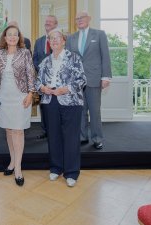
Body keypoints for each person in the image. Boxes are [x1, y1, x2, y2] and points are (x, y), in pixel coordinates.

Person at [36, 30, 86, 187]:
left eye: (57, 38)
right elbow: (37, 82)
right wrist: (43, 88)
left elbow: (82, 80)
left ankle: (71, 172)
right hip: (50, 101)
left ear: (64, 41)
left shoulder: (74, 58)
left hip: (71, 102)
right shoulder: (45, 61)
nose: (54, 40)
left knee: (71, 137)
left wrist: (65, 89)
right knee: (54, 136)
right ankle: (56, 168)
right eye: (51, 38)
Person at [0, 25, 36, 186]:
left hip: (20, 97)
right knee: (9, 130)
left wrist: (31, 94)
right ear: (5, 38)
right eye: (9, 35)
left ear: (19, 38)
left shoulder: (25, 53)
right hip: (3, 97)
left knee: (18, 131)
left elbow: (31, 74)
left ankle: (18, 168)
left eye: (15, 35)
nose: (12, 37)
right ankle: (12, 161)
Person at [66, 11, 112, 150]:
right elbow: (68, 60)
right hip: (76, 81)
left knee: (94, 111)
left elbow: (105, 56)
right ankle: (82, 136)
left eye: (82, 17)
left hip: (94, 78)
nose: (79, 20)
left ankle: (97, 138)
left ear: (89, 18)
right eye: (77, 18)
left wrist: (106, 77)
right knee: (80, 110)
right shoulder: (71, 38)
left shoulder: (99, 34)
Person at [33, 15, 58, 140]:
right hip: (42, 81)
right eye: (46, 21)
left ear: (56, 24)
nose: (47, 23)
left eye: (50, 22)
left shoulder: (60, 40)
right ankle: (45, 130)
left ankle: (55, 131)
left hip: (57, 81)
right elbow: (35, 59)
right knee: (43, 107)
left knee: (55, 107)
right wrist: (41, 70)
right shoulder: (39, 41)